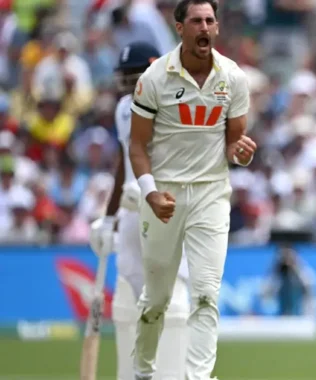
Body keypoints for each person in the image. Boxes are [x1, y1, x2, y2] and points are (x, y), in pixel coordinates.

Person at [127, 0, 257, 379]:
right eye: (196, 20)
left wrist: (243, 153)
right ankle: (143, 373)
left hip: (211, 195)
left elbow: (234, 146)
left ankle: (197, 377)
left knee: (205, 294)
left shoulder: (232, 77)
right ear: (180, 28)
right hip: (163, 196)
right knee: (156, 300)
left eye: (210, 21)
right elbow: (137, 145)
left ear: (217, 28)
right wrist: (151, 193)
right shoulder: (154, 78)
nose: (204, 27)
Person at [88, 41, 190, 380]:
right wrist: (110, 216)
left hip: (166, 209)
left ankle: (170, 368)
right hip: (133, 208)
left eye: (136, 79)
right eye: (125, 81)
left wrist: (150, 190)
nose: (131, 88)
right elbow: (123, 161)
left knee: (170, 292)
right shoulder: (123, 109)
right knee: (129, 286)